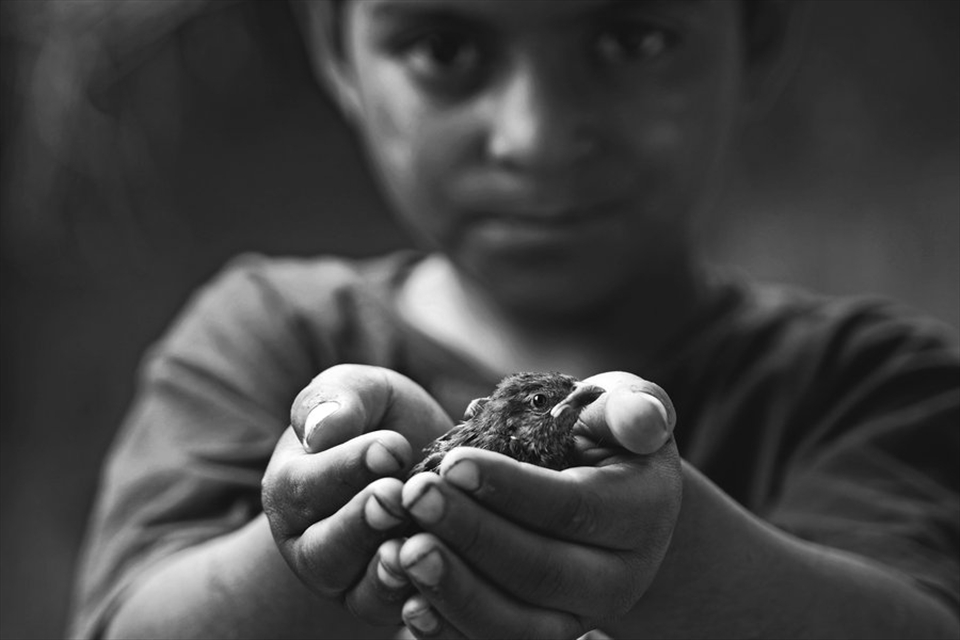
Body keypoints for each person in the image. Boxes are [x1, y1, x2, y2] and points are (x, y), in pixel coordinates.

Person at [68, 1, 959, 638]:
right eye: (444, 47)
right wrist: (320, 554)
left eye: (630, 36)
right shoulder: (260, 336)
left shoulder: (876, 383)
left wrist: (672, 556)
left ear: (757, 31)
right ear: (338, 50)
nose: (535, 135)